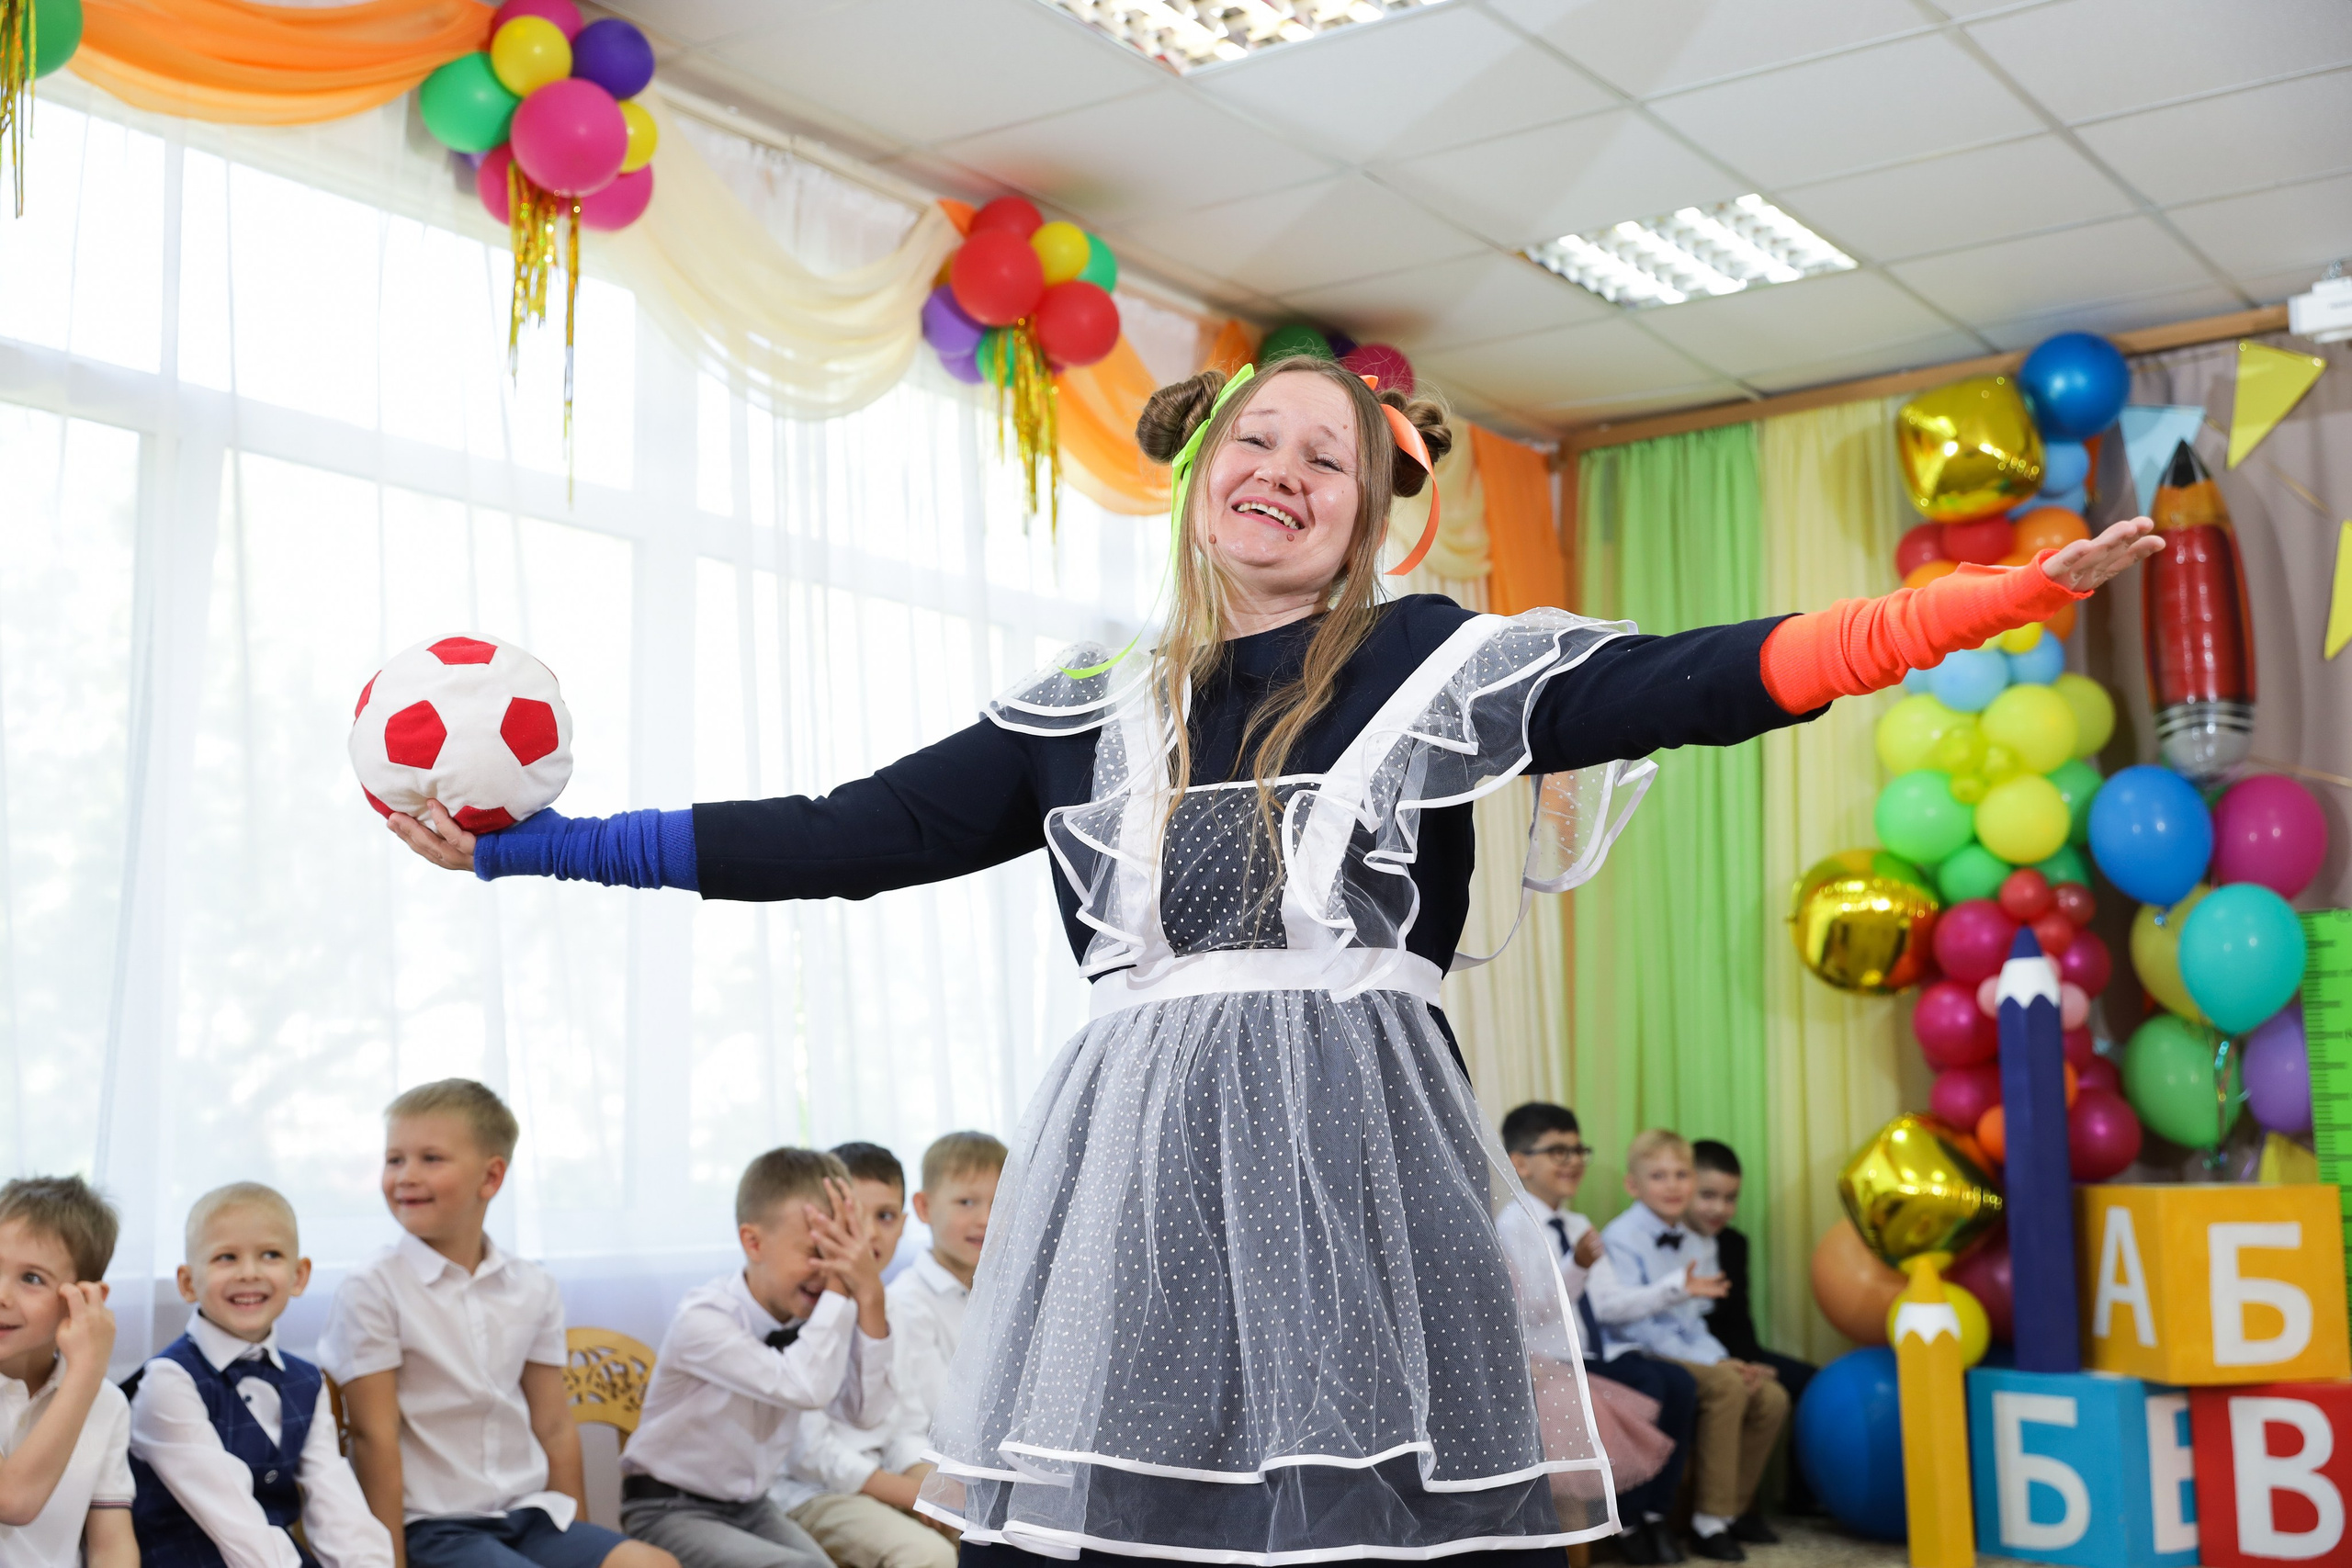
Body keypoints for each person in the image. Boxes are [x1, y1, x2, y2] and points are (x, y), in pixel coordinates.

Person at [385, 352, 2159, 1565]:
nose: (1285, 474)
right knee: (1127, 1532)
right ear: (1200, 478)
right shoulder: (1088, 705)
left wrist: (1968, 606)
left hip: (1364, 1175)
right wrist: (542, 843)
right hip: (1138, 1176)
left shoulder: (1446, 664)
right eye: (1258, 442)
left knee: (1384, 1529)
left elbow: (1697, 677)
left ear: (1374, 508)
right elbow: (845, 833)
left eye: (1330, 457)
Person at [319, 1079, 673, 1568]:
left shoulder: (532, 1286)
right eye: (394, 1159)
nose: (405, 1176)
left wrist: (582, 1536)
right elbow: (372, 1439)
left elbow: (553, 1425)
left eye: (431, 1158)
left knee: (653, 1564)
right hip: (433, 1527)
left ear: (491, 1178)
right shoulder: (373, 1289)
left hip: (530, 1516)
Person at [623, 1148, 891, 1568]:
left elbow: (864, 1414)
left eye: (841, 1254)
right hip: (667, 1510)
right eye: (818, 1251)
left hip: (752, 1506)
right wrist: (842, 1289)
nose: (828, 1271)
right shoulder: (704, 1319)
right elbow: (803, 1385)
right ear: (753, 1242)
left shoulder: (819, 1317)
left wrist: (871, 1298)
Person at [127, 1182, 392, 1568]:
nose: (249, 1273)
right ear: (187, 1282)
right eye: (225, 1257)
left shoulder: (307, 1382)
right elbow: (234, 1521)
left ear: (300, 1275)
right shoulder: (168, 1381)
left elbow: (336, 1503)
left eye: (270, 1254)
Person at [1498, 1105, 1690, 1566]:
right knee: (1652, 1386)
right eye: (1557, 1150)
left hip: (1588, 1349)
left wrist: (1676, 1287)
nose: (1573, 1161)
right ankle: (1625, 1521)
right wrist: (1577, 1266)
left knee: (1679, 1385)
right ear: (1519, 1163)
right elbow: (1531, 1308)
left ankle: (1649, 1516)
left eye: (1578, 1149)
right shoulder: (1512, 1224)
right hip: (1548, 1359)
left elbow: (1604, 1304)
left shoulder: (1579, 1224)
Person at [772, 1143, 954, 1568]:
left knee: (984, 1527)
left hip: (875, 1478)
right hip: (811, 1491)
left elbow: (899, 1424)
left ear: (904, 1224)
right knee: (928, 1556)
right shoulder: (797, 1309)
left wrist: (931, 1485)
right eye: (854, 1215)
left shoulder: (890, 1307)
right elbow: (808, 1452)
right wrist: (909, 1493)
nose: (870, 1233)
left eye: (886, 1217)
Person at [1600, 1132, 1780, 1562]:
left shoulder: (1698, 1240)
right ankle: (1708, 1520)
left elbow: (1693, 1321)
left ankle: (1729, 1512)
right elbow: (1635, 1323)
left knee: (1772, 1397)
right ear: (1634, 1185)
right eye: (1659, 1176)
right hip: (1637, 1350)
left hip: (1685, 1346)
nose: (1673, 1185)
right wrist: (1721, 1370)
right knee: (1727, 1386)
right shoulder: (1621, 1236)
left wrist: (1724, 1358)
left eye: (1682, 1175)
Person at [0, 1176, 131, 1568]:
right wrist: (87, 1372)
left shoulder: (107, 1403)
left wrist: (86, 1379)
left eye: (32, 1278)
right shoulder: (88, 1383)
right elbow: (12, 1500)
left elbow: (112, 1547)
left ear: (87, 1297)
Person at [1686, 1140, 1814, 1517]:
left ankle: (1800, 1498)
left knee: (1810, 1380)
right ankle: (1730, 1508)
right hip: (1694, 1351)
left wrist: (1753, 1360)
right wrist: (1734, 1363)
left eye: (1730, 1198)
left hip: (1732, 1347)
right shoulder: (1666, 1238)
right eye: (1708, 1195)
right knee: (1747, 1393)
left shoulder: (1733, 1243)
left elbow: (1738, 1314)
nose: (1719, 1209)